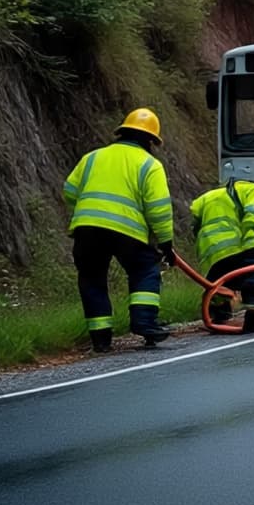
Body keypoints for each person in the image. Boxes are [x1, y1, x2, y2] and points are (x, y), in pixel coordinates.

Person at [62, 108, 176, 351]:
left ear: (121, 133)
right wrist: (165, 242)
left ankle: (101, 340)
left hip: (87, 230)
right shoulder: (150, 165)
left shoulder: (92, 157)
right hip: (127, 232)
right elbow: (158, 209)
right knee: (145, 269)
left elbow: (69, 192)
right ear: (151, 141)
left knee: (91, 278)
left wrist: (90, 211)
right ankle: (145, 324)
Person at [189, 177, 254, 333]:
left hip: (212, 251)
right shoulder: (251, 190)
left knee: (218, 284)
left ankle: (219, 315)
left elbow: (195, 225)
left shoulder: (205, 198)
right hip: (243, 245)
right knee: (252, 276)